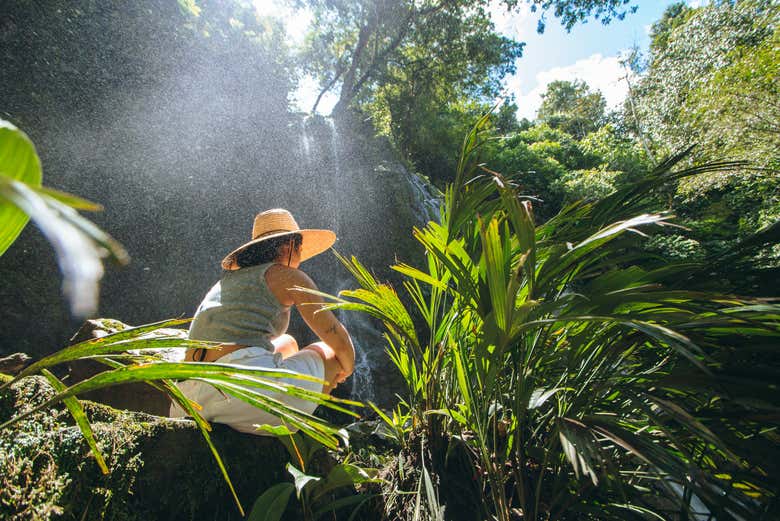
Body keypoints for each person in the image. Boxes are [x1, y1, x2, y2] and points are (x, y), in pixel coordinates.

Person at [169, 208, 355, 434]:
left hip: (186, 401)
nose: (300, 255)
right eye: (300, 247)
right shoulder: (288, 276)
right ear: (288, 246)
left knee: (288, 343)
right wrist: (344, 368)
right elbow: (335, 335)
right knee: (330, 352)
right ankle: (295, 436)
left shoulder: (226, 283)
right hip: (239, 397)